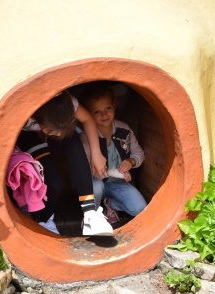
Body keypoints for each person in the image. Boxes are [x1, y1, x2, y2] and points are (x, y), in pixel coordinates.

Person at [14, 90, 114, 236]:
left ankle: (90, 213)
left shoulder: (67, 102)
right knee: (53, 182)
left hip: (56, 128)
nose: (59, 134)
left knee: (74, 143)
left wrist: (96, 153)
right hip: (31, 136)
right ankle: (44, 220)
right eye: (54, 131)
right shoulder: (24, 112)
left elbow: (87, 119)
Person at [80, 85, 147, 223]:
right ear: (88, 114)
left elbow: (139, 152)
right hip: (96, 182)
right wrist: (113, 172)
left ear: (114, 106)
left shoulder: (124, 129)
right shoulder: (86, 136)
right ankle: (92, 216)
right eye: (97, 112)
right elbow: (87, 169)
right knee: (96, 187)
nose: (104, 115)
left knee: (140, 208)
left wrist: (132, 161)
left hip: (119, 183)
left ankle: (111, 204)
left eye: (108, 108)